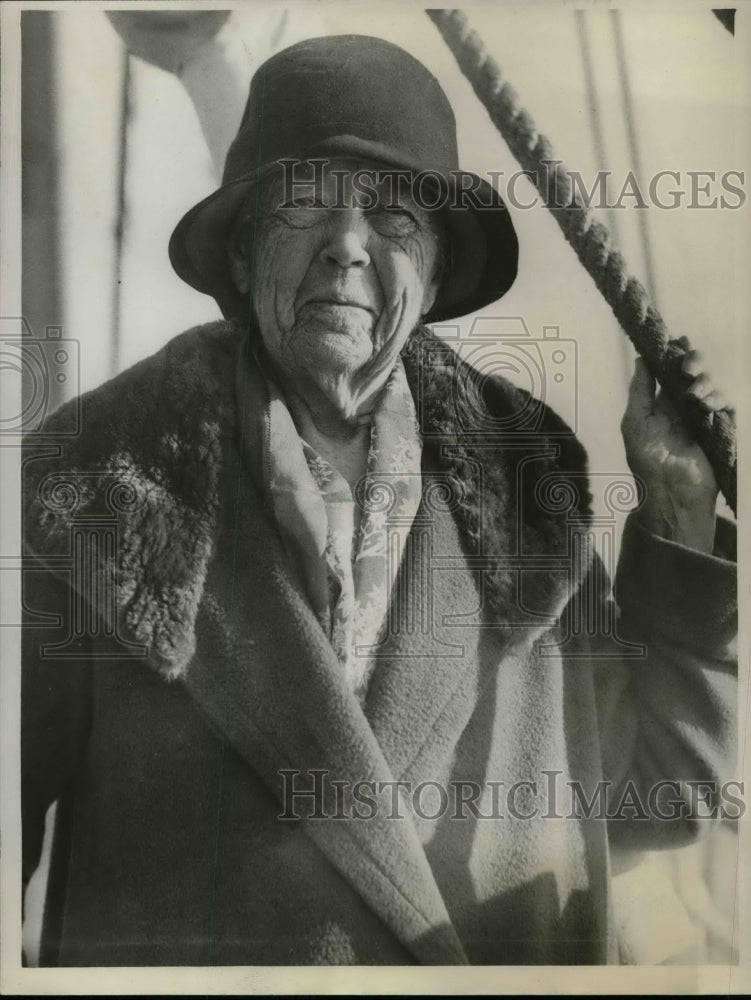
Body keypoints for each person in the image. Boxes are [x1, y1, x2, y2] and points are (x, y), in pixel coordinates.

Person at [21, 34, 737, 967]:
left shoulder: (531, 498)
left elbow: (658, 800)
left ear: (434, 276)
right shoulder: (95, 488)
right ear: (241, 255)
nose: (347, 247)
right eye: (305, 203)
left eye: (395, 219)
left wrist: (679, 515)